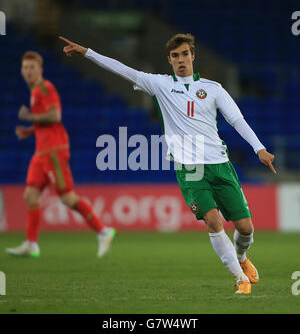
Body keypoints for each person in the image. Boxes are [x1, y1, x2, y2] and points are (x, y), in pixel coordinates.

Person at [59, 33, 276, 294]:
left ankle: (241, 257)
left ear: (193, 56)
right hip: (190, 168)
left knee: (245, 228)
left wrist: (259, 148)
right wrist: (88, 53)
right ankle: (240, 278)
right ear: (169, 60)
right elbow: (122, 69)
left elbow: (236, 119)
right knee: (213, 220)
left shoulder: (214, 88)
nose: (181, 59)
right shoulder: (159, 84)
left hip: (220, 164)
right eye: (175, 56)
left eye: (185, 54)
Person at [6, 51, 116, 258]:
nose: (28, 71)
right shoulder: (35, 91)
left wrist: (29, 116)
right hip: (41, 152)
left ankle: (103, 231)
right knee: (30, 195)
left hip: (54, 151)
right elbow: (46, 121)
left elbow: (55, 115)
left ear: (40, 70)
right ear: (21, 70)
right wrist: (30, 130)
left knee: (67, 198)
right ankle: (31, 244)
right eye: (25, 67)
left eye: (32, 67)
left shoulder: (45, 88)